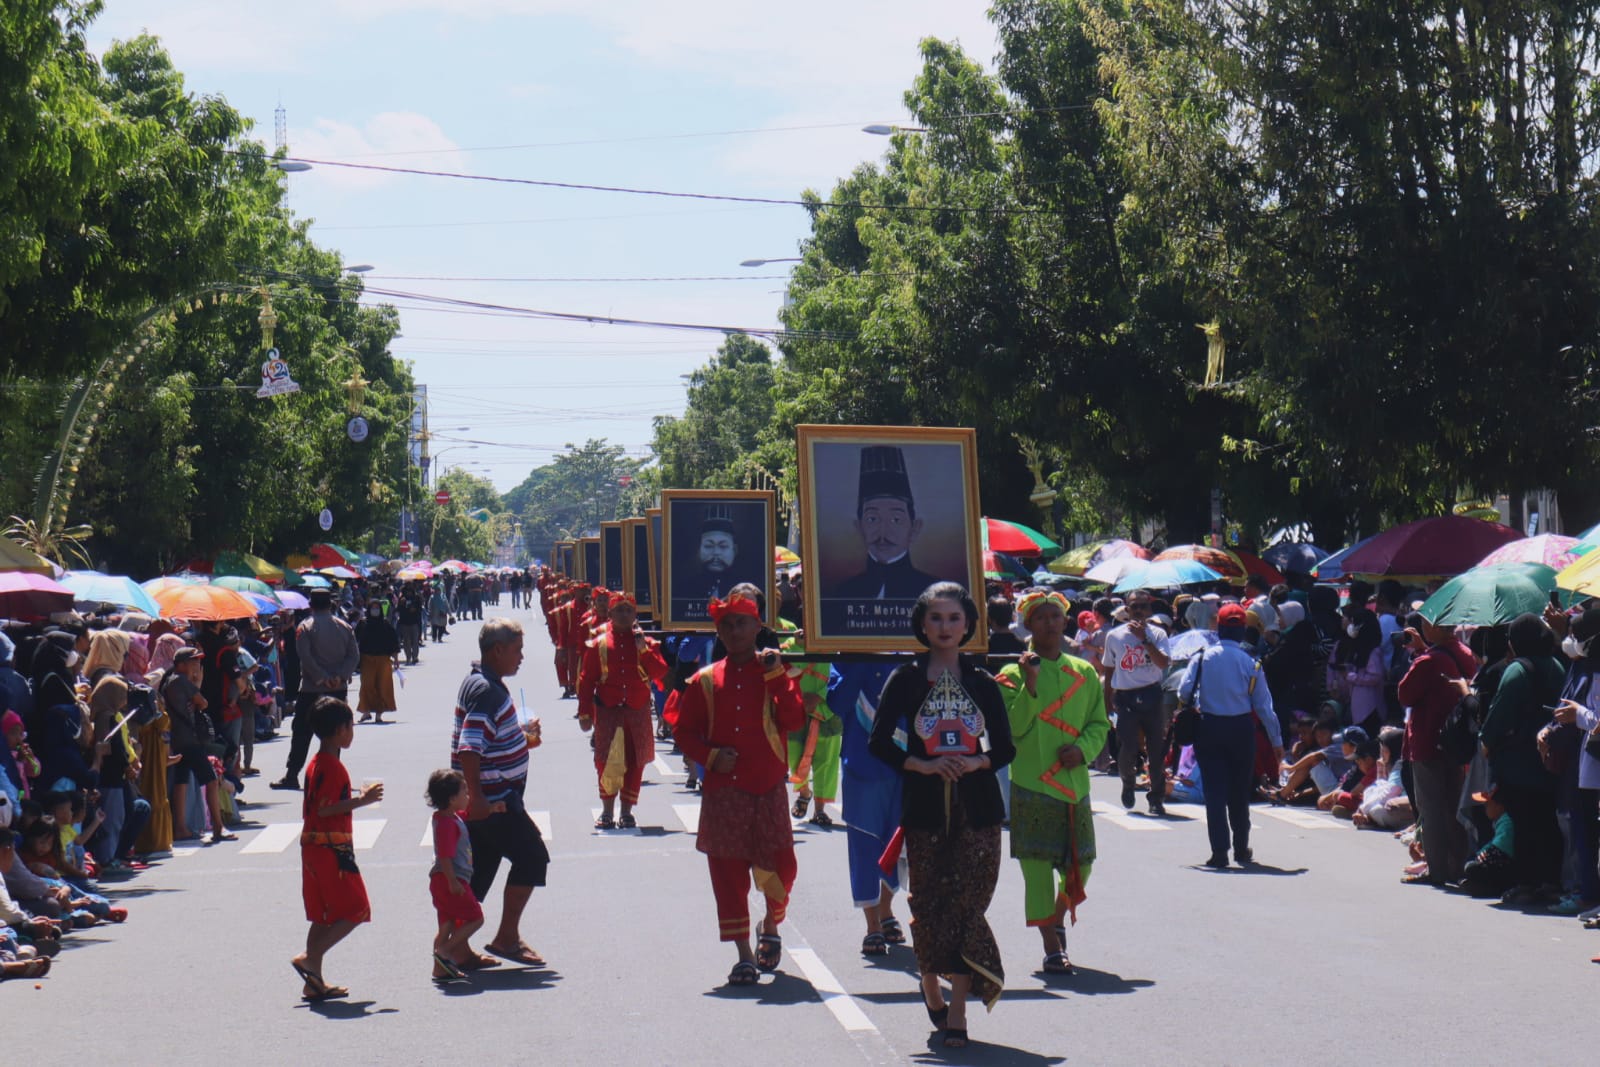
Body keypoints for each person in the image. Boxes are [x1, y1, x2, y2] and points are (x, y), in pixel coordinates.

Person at [869, 582, 1014, 1049]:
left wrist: (976, 761)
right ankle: (930, 981)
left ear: (969, 624)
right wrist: (922, 763)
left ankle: (958, 1012)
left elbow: (1005, 747)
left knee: (968, 906)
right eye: (936, 618)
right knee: (929, 904)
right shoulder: (906, 679)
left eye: (954, 619)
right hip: (926, 807)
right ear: (922, 624)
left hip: (979, 808)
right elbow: (879, 741)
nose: (945, 627)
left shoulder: (981, 682)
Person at [672, 593, 805, 987]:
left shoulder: (776, 671)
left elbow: (794, 719)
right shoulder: (705, 680)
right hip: (724, 792)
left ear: (758, 627)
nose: (734, 631)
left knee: (781, 866)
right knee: (728, 873)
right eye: (726, 625)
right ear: (718, 630)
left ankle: (771, 923)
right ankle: (743, 955)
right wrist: (711, 757)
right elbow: (683, 730)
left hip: (767, 788)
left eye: (742, 623)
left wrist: (778, 676)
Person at [995, 589, 1110, 975]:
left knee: (1083, 866)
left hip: (1074, 785)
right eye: (1040, 618)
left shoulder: (1085, 672)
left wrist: (1084, 749)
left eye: (1054, 617)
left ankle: (1057, 918)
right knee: (1036, 870)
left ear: (1065, 621)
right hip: (1030, 784)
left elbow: (1098, 722)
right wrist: (1029, 684)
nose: (1048, 623)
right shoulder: (1009, 675)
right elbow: (1012, 729)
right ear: (1028, 624)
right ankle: (1050, 945)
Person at [452, 618, 549, 968]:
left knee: (479, 874)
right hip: (494, 801)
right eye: (516, 650)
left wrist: (519, 738)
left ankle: (454, 948)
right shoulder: (487, 691)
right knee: (532, 857)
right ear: (497, 650)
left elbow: (487, 739)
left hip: (490, 797)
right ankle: (506, 938)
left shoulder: (483, 682)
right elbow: (469, 746)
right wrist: (477, 798)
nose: (521, 657)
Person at [1178, 602, 1283, 868]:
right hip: (1241, 730)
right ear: (1243, 630)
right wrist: (1277, 742)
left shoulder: (1201, 657)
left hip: (1209, 728)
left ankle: (1219, 852)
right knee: (1239, 792)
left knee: (1214, 792)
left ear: (1219, 627)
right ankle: (1241, 849)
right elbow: (1264, 706)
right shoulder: (1252, 663)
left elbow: (1183, 692)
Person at [290, 697, 381, 1002]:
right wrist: (362, 801)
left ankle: (313, 979)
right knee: (357, 909)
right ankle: (309, 959)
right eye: (350, 726)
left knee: (325, 914)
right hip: (331, 847)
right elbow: (326, 809)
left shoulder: (317, 763)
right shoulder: (332, 767)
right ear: (341, 730)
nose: (352, 732)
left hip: (314, 846)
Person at [1479, 612, 1565, 902]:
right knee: (1546, 822)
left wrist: (1487, 743)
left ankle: (1526, 883)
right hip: (1552, 758)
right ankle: (1550, 882)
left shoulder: (1516, 670)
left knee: (1523, 823)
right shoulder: (1555, 665)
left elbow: (1499, 715)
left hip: (1518, 761)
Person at [832, 658, 905, 957]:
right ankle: (872, 924)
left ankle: (886, 909)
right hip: (862, 765)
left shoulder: (912, 656)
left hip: (907, 764)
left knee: (900, 845)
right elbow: (837, 703)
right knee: (864, 846)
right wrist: (862, 660)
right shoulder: (844, 659)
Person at [1396, 617, 1477, 886]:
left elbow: (1404, 694)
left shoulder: (1428, 661)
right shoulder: (1465, 653)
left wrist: (1421, 653)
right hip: (1457, 741)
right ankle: (1459, 865)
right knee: (1454, 805)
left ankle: (1439, 870)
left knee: (1430, 808)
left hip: (1428, 740)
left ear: (1435, 628)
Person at [577, 593, 668, 829]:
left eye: (629, 611)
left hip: (637, 712)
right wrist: (585, 713)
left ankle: (627, 811)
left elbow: (659, 673)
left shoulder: (646, 644)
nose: (625, 615)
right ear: (610, 614)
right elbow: (587, 680)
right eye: (620, 610)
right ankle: (607, 811)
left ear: (635, 614)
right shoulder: (599, 644)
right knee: (607, 761)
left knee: (635, 761)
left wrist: (643, 651)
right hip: (609, 711)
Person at [826, 445, 938, 603]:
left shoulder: (934, 592)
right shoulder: (844, 593)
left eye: (896, 520)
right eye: (872, 519)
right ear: (859, 528)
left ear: (914, 528)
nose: (883, 532)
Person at [273, 590, 358, 792]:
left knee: (302, 732)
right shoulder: (344, 627)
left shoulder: (305, 627)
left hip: (312, 689)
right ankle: (332, 775)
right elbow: (353, 656)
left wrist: (322, 677)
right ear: (331, 605)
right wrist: (339, 676)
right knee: (335, 732)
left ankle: (292, 774)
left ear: (311, 605)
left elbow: (305, 657)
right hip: (337, 689)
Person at [1100, 590, 1171, 812]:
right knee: (1128, 747)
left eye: (1143, 606)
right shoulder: (1115, 636)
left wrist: (1145, 640)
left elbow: (1163, 663)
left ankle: (1156, 798)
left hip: (1152, 695)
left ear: (1149, 610)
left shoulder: (1158, 634)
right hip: (1126, 697)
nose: (1139, 610)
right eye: (1134, 606)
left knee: (1156, 748)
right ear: (1127, 610)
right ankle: (1128, 783)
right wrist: (1107, 700)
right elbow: (1109, 670)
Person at [161, 648, 229, 843]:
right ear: (181, 664)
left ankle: (180, 827)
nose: (196, 665)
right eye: (192, 661)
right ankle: (217, 825)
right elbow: (203, 702)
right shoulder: (181, 681)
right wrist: (196, 681)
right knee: (210, 778)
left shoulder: (169, 681)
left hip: (177, 739)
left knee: (181, 780)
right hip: (189, 739)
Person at [426, 769, 485, 982]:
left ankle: (439, 969)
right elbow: (445, 855)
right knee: (476, 919)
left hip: (442, 881)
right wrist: (452, 881)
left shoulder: (448, 817)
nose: (468, 797)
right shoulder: (447, 825)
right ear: (452, 799)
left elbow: (465, 815)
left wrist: (492, 808)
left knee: (447, 924)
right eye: (465, 793)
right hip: (451, 879)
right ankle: (446, 951)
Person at [354, 602, 401, 725]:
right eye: (373, 608)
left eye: (377, 608)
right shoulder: (363, 624)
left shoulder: (385, 624)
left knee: (383, 686)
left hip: (383, 660)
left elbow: (393, 642)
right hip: (367, 659)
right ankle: (366, 711)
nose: (375, 610)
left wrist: (396, 659)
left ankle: (379, 714)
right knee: (367, 685)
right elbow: (354, 641)